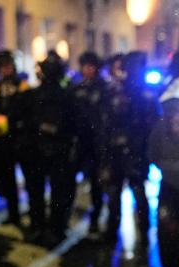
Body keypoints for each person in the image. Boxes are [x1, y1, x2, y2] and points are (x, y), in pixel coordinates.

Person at [15, 52, 81, 247]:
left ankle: (41, 227)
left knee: (38, 192)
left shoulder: (34, 95)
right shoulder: (66, 96)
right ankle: (54, 229)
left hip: (43, 151)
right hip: (50, 151)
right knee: (55, 192)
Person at [101, 51, 158, 242]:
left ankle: (143, 232)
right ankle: (113, 231)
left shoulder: (146, 93)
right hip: (119, 150)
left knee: (137, 192)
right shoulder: (116, 91)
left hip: (136, 150)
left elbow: (154, 124)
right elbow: (107, 122)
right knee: (116, 193)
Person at [0, 50, 29, 228]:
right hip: (2, 141)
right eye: (2, 67)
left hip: (21, 139)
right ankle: (13, 214)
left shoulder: (23, 86)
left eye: (8, 66)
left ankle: (33, 214)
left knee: (30, 179)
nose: (5, 70)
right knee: (8, 180)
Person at [72, 50, 109, 237]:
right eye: (85, 66)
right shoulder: (77, 88)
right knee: (69, 179)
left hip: (96, 142)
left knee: (96, 182)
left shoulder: (104, 88)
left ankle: (95, 218)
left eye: (91, 66)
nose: (88, 70)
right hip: (80, 141)